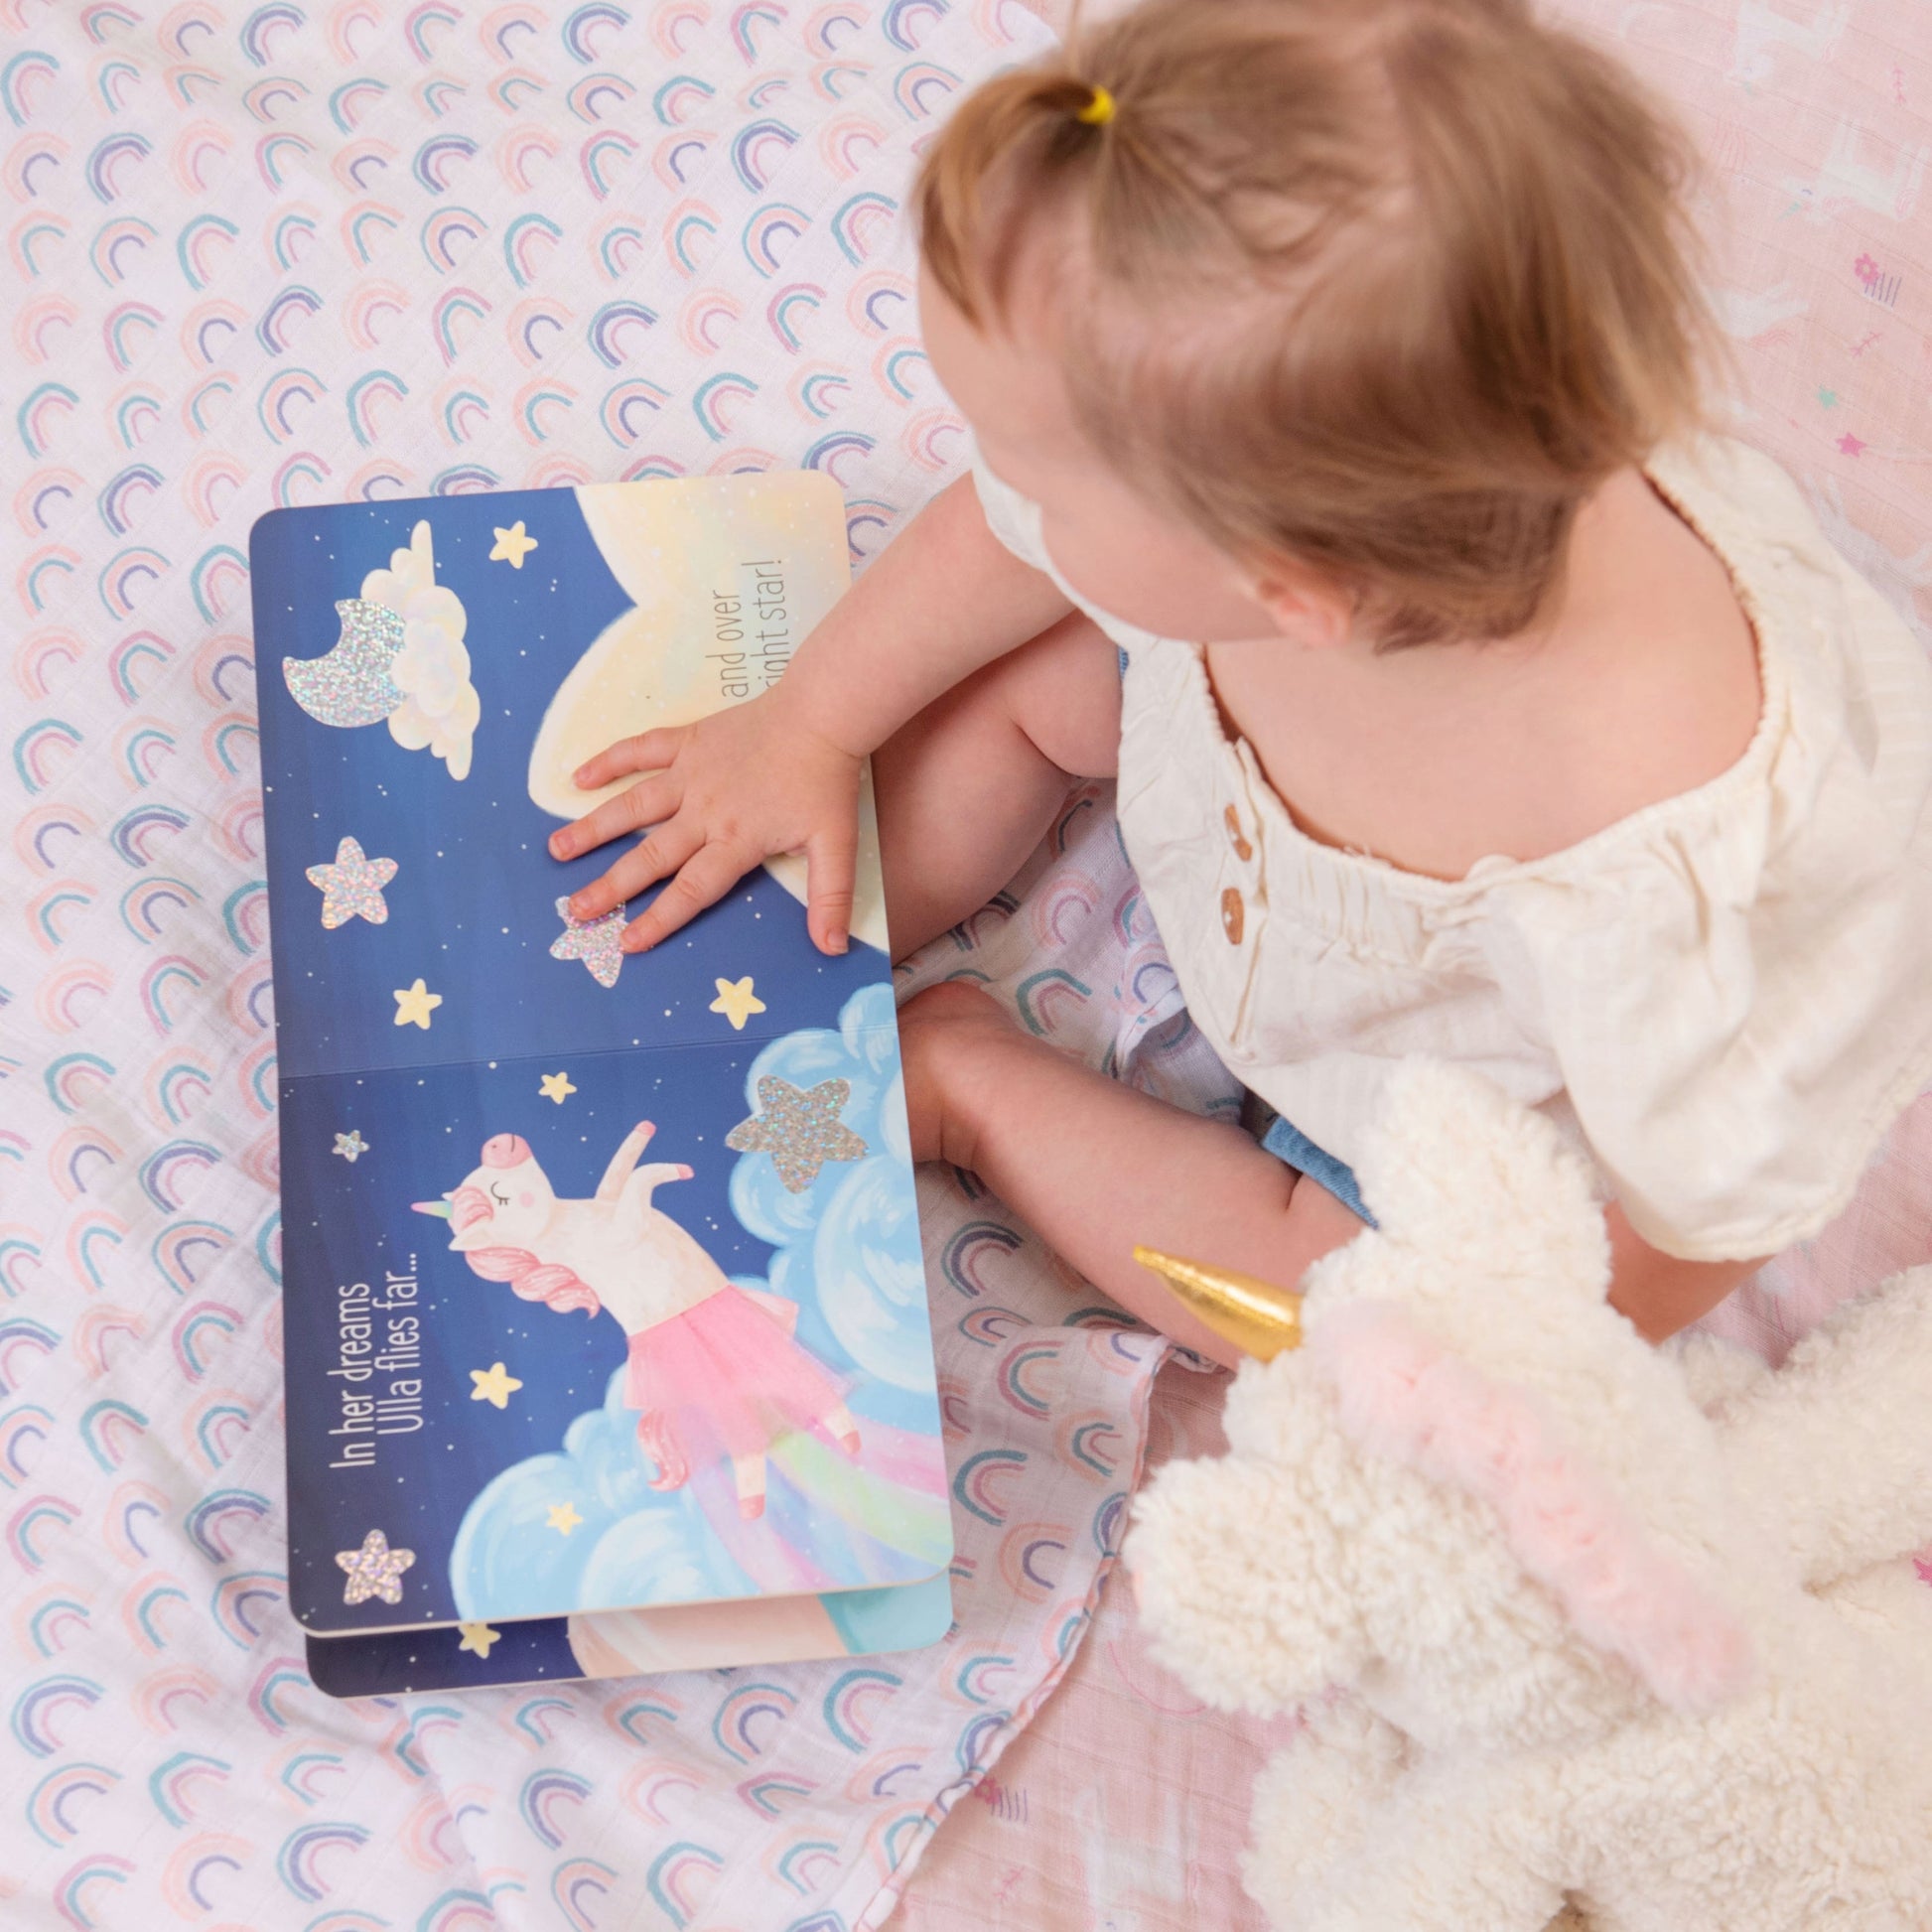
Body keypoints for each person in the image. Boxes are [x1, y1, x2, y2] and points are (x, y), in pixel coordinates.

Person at [547, 0, 1932, 1365]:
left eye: (1033, 474)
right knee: (1024, 666)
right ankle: (798, 939)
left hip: (1434, 1075)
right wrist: (806, 722)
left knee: (1350, 1324)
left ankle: (971, 1083)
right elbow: (1003, 540)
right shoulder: (1292, 514)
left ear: (1289, 595)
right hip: (1235, 785)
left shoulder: (1687, 895)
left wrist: (1517, 1353)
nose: (995, 485)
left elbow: (1683, 1228)